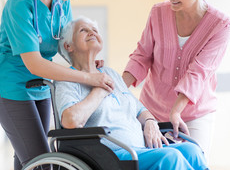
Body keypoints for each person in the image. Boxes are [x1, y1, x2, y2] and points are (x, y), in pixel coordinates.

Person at [0, 0, 114, 170]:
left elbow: (65, 43)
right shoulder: (20, 3)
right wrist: (88, 78)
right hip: (13, 86)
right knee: (42, 163)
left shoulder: (61, 0)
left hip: (42, 86)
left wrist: (84, 64)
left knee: (28, 159)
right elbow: (34, 63)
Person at [55, 17, 208, 170]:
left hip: (141, 149)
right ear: (68, 46)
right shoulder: (67, 80)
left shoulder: (110, 73)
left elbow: (139, 109)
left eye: (94, 30)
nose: (92, 33)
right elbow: (70, 121)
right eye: (83, 30)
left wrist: (150, 122)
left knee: (192, 151)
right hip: (110, 155)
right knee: (170, 158)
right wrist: (100, 90)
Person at [122, 0, 230, 161]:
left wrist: (176, 111)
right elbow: (142, 55)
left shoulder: (220, 24)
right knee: (155, 163)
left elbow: (199, 71)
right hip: (151, 110)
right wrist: (118, 88)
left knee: (194, 161)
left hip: (194, 114)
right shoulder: (158, 12)